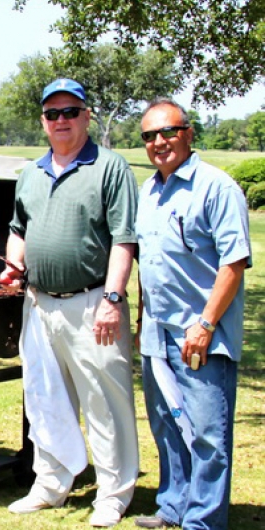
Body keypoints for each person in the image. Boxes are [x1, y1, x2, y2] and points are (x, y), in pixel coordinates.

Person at [0, 78, 140, 528]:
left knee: (105, 401)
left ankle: (113, 495)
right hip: (39, 305)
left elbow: (124, 238)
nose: (61, 121)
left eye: (70, 112)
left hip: (94, 303)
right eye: (52, 114)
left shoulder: (111, 167)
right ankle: (50, 484)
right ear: (43, 120)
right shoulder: (31, 173)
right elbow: (18, 229)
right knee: (45, 399)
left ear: (86, 116)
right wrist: (12, 266)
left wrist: (113, 299)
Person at [133, 99, 251, 530]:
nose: (159, 142)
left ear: (189, 133)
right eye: (149, 136)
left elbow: (233, 264)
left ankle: (202, 521)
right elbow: (151, 265)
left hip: (200, 333)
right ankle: (173, 508)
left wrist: (204, 324)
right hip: (156, 335)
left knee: (207, 434)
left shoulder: (216, 188)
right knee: (167, 426)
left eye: (168, 132)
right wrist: (143, 323)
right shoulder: (149, 191)